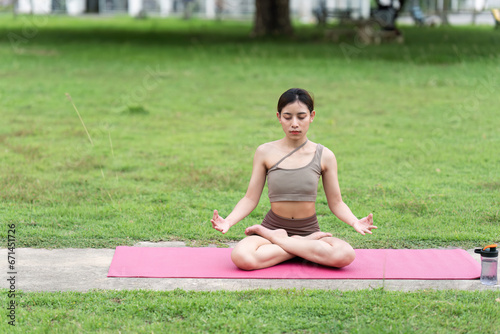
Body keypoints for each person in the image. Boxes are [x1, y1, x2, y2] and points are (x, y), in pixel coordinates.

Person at [211, 88, 376, 270]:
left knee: (345, 254)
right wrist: (228, 221)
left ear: (312, 116)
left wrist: (354, 221)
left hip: (309, 231)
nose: (294, 124)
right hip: (272, 227)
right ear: (279, 117)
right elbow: (250, 198)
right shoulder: (264, 152)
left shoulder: (325, 155)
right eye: (288, 117)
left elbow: (336, 202)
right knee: (242, 257)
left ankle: (282, 242)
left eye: (301, 117)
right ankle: (300, 246)